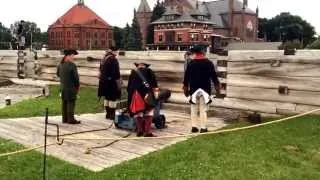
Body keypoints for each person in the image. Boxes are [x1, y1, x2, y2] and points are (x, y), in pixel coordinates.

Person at [183, 45, 220, 133]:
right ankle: (203, 128)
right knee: (203, 109)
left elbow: (186, 77)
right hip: (205, 89)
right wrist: (217, 86)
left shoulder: (191, 63)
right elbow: (214, 76)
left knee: (193, 109)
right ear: (202, 52)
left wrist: (185, 88)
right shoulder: (208, 63)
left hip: (194, 89)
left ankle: (194, 127)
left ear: (195, 53)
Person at [127, 62, 159, 137]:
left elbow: (128, 87)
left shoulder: (133, 72)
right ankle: (147, 132)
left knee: (139, 112)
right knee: (149, 112)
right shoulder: (149, 71)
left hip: (136, 95)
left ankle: (139, 131)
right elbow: (155, 85)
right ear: (145, 66)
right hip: (147, 95)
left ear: (138, 66)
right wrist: (156, 97)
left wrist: (131, 97)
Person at [57, 49, 80, 124]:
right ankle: (71, 119)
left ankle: (64, 119)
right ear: (68, 56)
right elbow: (76, 78)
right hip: (71, 87)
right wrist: (77, 87)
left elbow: (58, 74)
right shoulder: (72, 65)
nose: (73, 57)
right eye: (72, 55)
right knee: (71, 102)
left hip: (63, 87)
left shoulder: (60, 65)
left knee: (64, 102)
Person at [98, 47, 121, 120]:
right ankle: (112, 115)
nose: (116, 53)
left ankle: (107, 114)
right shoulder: (113, 59)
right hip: (111, 81)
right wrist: (118, 79)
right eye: (116, 52)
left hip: (103, 81)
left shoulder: (103, 58)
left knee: (107, 98)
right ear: (113, 52)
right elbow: (116, 72)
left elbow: (101, 70)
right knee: (112, 98)